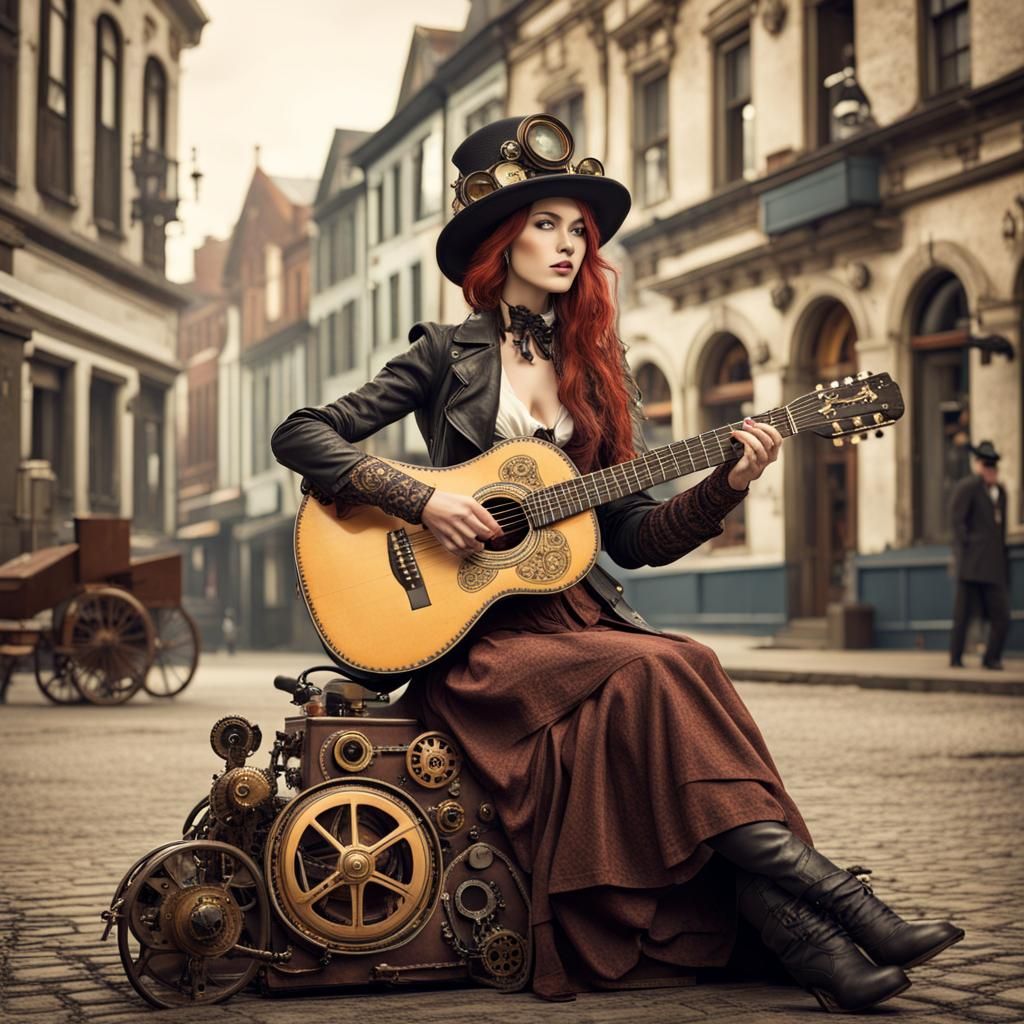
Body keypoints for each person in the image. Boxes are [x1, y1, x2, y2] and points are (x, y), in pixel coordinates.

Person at [271, 114, 961, 1011]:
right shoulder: (448, 355)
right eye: (545, 224)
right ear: (500, 238)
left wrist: (725, 486)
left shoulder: (600, 372)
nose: (567, 245)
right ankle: (835, 904)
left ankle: (808, 933)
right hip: (477, 640)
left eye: (576, 230)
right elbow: (301, 434)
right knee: (655, 668)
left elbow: (633, 536)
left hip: (575, 627)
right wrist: (425, 500)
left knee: (684, 661)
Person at [949, 440, 1010, 669]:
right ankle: (955, 657)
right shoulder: (968, 488)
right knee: (963, 615)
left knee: (1001, 615)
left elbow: (1001, 530)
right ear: (978, 465)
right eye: (987, 465)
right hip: (972, 565)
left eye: (994, 466)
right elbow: (957, 523)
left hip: (994, 566)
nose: (991, 470)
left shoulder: (1001, 492)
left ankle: (991, 657)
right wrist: (967, 548)